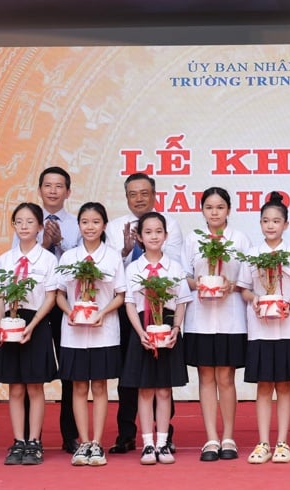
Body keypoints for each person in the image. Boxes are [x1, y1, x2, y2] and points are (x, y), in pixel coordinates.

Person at [104, 173, 184, 455]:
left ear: (154, 194)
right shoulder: (114, 228)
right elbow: (112, 269)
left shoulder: (169, 224)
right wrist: (126, 250)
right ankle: (127, 433)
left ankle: (164, 437)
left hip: (164, 312)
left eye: (144, 193)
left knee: (162, 379)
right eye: (133, 194)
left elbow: (174, 264)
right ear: (126, 197)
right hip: (132, 312)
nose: (139, 198)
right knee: (131, 376)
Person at [237, 192, 290, 464]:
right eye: (265, 220)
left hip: (287, 328)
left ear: (286, 225)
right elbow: (244, 289)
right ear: (260, 223)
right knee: (264, 386)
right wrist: (255, 300)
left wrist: (289, 304)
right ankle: (263, 442)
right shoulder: (253, 254)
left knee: (285, 386)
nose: (270, 225)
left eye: (276, 221)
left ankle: (282, 443)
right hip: (260, 329)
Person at [182, 187, 253, 462]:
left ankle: (229, 437)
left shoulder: (240, 239)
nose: (214, 212)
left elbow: (248, 278)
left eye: (220, 207)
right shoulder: (193, 239)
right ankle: (211, 438)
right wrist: (198, 284)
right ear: (202, 211)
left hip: (231, 316)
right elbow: (184, 275)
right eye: (209, 207)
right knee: (206, 377)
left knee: (226, 377)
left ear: (229, 210)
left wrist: (230, 286)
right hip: (200, 317)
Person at [15, 166, 80, 454]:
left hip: (65, 302)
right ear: (40, 189)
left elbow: (80, 264)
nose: (53, 190)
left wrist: (60, 244)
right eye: (48, 185)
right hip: (34, 305)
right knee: (29, 371)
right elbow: (17, 263)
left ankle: (71, 435)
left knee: (68, 369)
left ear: (68, 191)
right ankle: (29, 437)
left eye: (59, 186)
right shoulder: (27, 221)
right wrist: (44, 243)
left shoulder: (79, 224)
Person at [56, 202, 127, 466]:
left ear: (104, 226)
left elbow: (120, 294)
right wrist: (70, 312)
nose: (90, 227)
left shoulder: (112, 257)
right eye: (85, 222)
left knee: (99, 386)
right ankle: (82, 442)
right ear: (79, 225)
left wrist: (102, 313)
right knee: (77, 386)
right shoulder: (69, 257)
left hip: (103, 331)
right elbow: (60, 294)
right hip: (73, 332)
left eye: (95, 222)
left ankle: (97, 443)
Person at [119, 212, 192, 465]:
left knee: (164, 390)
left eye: (158, 231)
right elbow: (130, 304)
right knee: (145, 390)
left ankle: (163, 443)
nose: (153, 236)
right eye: (148, 232)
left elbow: (182, 302)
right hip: (143, 331)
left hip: (167, 331)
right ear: (139, 237)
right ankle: (147, 444)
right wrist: (140, 333)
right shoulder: (133, 269)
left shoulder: (175, 268)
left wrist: (176, 329)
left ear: (166, 235)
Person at [0, 202, 59, 465]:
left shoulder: (48, 259)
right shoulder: (5, 259)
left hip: (36, 323)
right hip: (10, 323)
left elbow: (50, 297)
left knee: (34, 386)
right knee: (15, 387)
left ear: (40, 227)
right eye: (19, 222)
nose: (24, 226)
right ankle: (18, 441)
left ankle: (35, 442)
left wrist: (32, 326)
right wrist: (1, 323)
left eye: (30, 222)